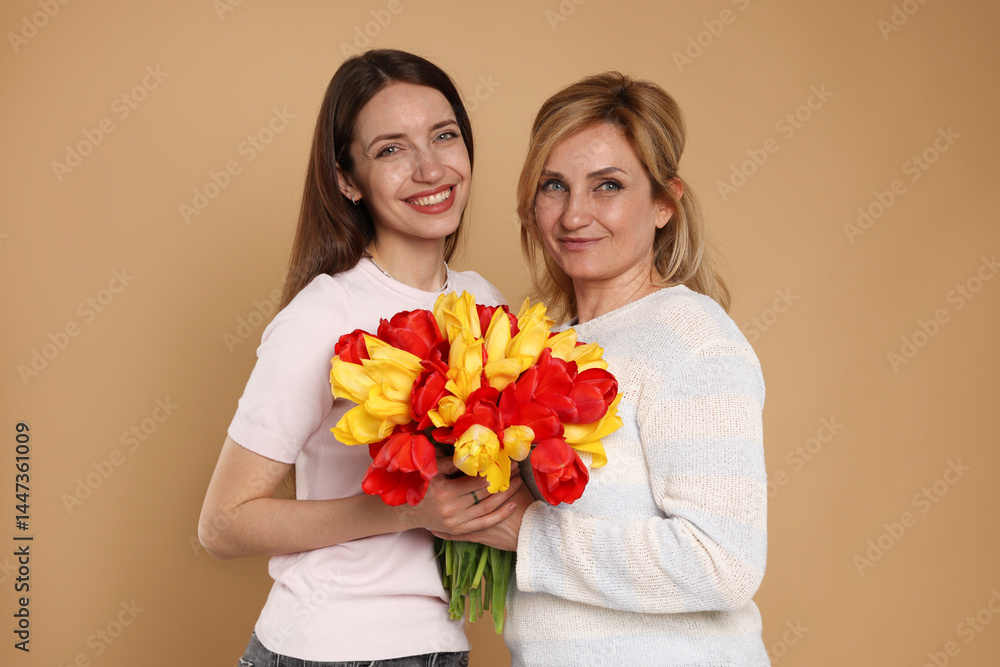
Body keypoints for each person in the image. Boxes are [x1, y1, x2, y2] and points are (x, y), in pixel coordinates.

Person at [198, 49, 523, 666]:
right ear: (348, 180)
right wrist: (403, 512)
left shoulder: (485, 303)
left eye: (444, 136)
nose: (430, 168)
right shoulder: (324, 315)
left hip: (440, 646)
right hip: (330, 646)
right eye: (391, 149)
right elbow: (222, 524)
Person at [434, 72, 769, 665]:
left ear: (665, 204)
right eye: (554, 186)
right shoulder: (538, 347)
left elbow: (724, 563)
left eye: (607, 186)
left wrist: (530, 536)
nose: (573, 215)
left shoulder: (692, 339)